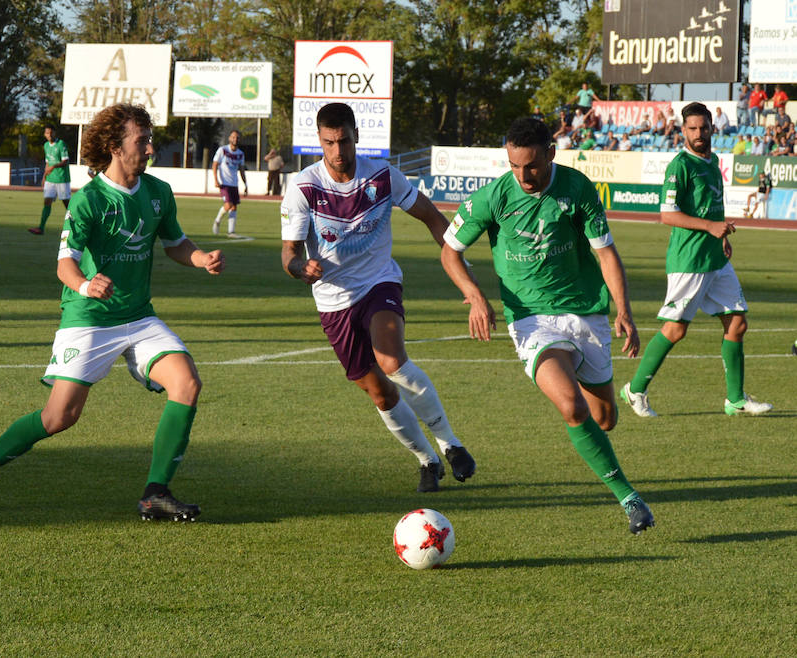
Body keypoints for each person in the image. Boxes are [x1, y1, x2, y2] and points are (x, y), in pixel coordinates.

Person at [0, 103, 226, 520]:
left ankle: (155, 493)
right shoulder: (89, 201)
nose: (151, 147)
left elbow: (175, 244)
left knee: (187, 382)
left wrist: (201, 258)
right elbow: (65, 264)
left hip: (138, 316)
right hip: (89, 318)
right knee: (59, 416)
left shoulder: (158, 193)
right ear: (116, 147)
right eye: (142, 140)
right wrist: (86, 284)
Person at [440, 117, 654, 535]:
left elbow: (606, 254)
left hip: (586, 313)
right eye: (515, 165)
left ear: (550, 154)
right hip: (531, 319)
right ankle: (631, 500)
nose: (523, 176)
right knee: (572, 407)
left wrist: (623, 310)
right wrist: (475, 296)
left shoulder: (577, 189)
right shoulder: (494, 197)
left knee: (604, 419)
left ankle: (602, 439)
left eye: (532, 165)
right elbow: (450, 252)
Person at [280, 102, 476, 493]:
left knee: (391, 360)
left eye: (345, 140)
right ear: (319, 140)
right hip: (333, 301)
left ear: (357, 136)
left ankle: (450, 444)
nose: (338, 151)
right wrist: (300, 269)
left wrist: (460, 268)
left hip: (379, 283)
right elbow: (289, 253)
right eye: (329, 142)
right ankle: (427, 460)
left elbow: (433, 217)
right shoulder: (304, 186)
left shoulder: (383, 177)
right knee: (379, 392)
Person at [620, 102, 772, 419]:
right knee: (675, 330)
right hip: (689, 259)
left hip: (715, 258)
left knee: (737, 322)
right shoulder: (680, 166)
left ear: (712, 128)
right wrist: (710, 227)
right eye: (692, 128)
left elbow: (710, 206)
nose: (699, 133)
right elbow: (667, 215)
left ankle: (735, 399)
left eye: (703, 127)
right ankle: (635, 390)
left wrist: (722, 236)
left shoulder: (713, 160)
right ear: (683, 130)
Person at [28, 126, 70, 235]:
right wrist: (44, 176)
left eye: (51, 133)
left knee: (67, 204)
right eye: (47, 133)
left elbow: (65, 161)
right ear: (45, 134)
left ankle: (77, 226)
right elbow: (47, 162)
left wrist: (54, 166)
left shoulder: (61, 144)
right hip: (50, 179)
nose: (49, 135)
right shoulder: (46, 145)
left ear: (55, 133)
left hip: (61, 178)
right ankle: (41, 228)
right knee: (47, 201)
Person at [212, 129, 249, 238]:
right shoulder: (222, 150)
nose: (235, 139)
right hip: (224, 183)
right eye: (233, 137)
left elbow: (242, 170)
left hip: (234, 183)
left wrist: (245, 184)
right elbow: (215, 165)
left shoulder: (240, 154)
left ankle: (231, 232)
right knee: (228, 205)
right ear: (229, 138)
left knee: (234, 207)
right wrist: (215, 179)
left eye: (237, 137)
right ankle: (217, 221)